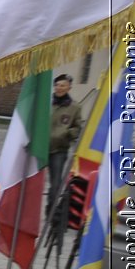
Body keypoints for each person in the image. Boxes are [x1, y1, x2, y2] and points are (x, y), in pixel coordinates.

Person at [48, 74, 84, 204]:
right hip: (41, 147)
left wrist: (66, 133)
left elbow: (77, 127)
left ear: (69, 88)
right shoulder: (46, 103)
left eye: (63, 85)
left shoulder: (75, 107)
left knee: (56, 183)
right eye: (57, 85)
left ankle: (51, 214)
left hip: (59, 150)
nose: (59, 88)